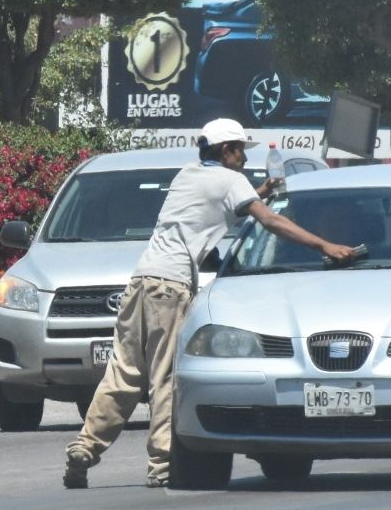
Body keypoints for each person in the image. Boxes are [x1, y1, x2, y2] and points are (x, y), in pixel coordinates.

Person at [63, 118, 358, 489]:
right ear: (226, 150)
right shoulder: (230, 181)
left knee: (123, 373)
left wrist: (260, 191)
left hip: (141, 281)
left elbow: (218, 206)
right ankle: (162, 464)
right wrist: (324, 245)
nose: (243, 159)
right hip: (170, 288)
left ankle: (84, 448)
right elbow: (269, 221)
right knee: (166, 377)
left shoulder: (188, 175)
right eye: (240, 151)